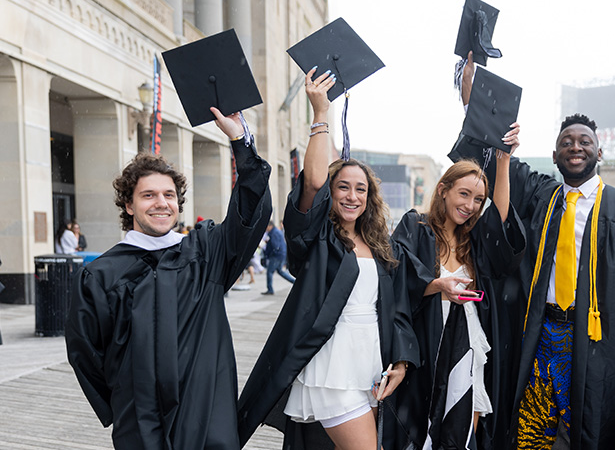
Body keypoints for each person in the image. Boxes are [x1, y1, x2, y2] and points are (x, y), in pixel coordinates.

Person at [452, 64, 615, 449]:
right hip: (540, 330)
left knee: (590, 429)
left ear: (599, 152)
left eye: (585, 141)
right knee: (530, 429)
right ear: (554, 155)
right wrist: (473, 100)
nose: (575, 146)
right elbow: (495, 159)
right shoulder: (542, 196)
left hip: (596, 338)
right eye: (567, 141)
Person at [65, 107, 272, 449]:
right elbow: (86, 353)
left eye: (169, 195)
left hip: (205, 413)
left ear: (178, 203)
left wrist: (239, 141)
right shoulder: (100, 275)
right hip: (139, 419)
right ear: (128, 205)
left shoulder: (206, 253)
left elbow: (250, 212)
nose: (161, 203)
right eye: (148, 195)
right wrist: (125, 394)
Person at [236, 68, 419, 450]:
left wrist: (401, 360)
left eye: (360, 189)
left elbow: (398, 305)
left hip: (370, 364)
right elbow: (314, 181)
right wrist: (321, 114)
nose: (352, 196)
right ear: (330, 194)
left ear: (370, 197)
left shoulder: (381, 248)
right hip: (333, 367)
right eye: (343, 187)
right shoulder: (319, 241)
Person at [391, 141, 525, 448]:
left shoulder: (472, 240)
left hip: (467, 342)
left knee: (463, 426)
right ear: (443, 190)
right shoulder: (416, 227)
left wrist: (504, 161)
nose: (470, 205)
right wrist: (438, 286)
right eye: (464, 194)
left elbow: (501, 220)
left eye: (478, 199)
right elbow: (397, 281)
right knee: (424, 428)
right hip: (429, 342)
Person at [262, 220, 296, 294]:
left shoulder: (274, 233)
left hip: (276, 255)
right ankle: (295, 282)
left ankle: (270, 289)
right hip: (280, 254)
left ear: (270, 226)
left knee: (269, 272)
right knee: (280, 271)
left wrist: (270, 253)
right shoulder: (275, 232)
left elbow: (275, 246)